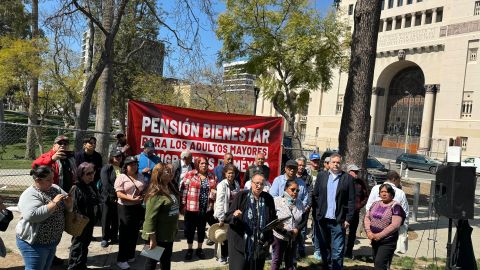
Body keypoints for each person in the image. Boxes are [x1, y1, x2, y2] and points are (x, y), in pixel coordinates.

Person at [16, 165, 73, 270]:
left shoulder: (55, 188)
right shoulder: (30, 194)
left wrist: (69, 203)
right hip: (34, 244)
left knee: (46, 267)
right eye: (48, 180)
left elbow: (68, 208)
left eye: (52, 178)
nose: (52, 182)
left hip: (52, 241)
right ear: (38, 180)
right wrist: (54, 203)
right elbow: (31, 216)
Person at [225, 172, 277, 270]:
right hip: (240, 241)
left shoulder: (268, 198)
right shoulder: (242, 196)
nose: (259, 186)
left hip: (259, 243)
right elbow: (227, 217)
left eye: (262, 184)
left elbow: (272, 218)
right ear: (251, 183)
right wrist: (235, 216)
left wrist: (276, 225)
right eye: (256, 183)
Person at [312, 153, 355, 270]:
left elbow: (351, 201)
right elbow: (315, 196)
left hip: (339, 220)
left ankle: (336, 267)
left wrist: (348, 219)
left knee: (337, 249)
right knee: (324, 247)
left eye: (338, 162)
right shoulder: (322, 176)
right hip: (323, 219)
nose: (336, 164)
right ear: (329, 164)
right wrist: (316, 214)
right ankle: (326, 266)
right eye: (333, 162)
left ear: (341, 164)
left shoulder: (348, 179)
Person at [142, 162, 180, 270]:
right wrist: (152, 239)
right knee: (151, 264)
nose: (171, 173)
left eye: (171, 171)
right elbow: (149, 218)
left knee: (166, 262)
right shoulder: (155, 193)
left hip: (167, 235)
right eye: (167, 172)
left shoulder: (170, 187)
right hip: (156, 237)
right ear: (159, 174)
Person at [180, 156, 217, 260]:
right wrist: (183, 205)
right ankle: (189, 250)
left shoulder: (211, 176)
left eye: (206, 163)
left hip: (205, 209)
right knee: (190, 230)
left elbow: (214, 190)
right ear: (197, 164)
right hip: (191, 208)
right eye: (202, 163)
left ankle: (199, 249)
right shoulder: (191, 174)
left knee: (201, 230)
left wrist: (213, 198)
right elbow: (184, 190)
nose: (204, 165)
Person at [114, 156, 147, 270]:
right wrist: (131, 199)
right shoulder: (121, 177)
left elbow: (143, 189)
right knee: (124, 233)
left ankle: (130, 255)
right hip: (124, 208)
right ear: (126, 166)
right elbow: (118, 194)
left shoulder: (141, 176)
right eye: (131, 164)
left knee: (134, 232)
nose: (134, 166)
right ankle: (121, 259)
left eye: (135, 164)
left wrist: (142, 196)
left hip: (137, 207)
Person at [366, 170, 409, 254]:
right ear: (393, 179)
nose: (399, 183)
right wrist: (404, 228)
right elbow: (405, 213)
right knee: (381, 256)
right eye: (398, 181)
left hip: (383, 229)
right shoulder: (400, 193)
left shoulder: (375, 188)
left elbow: (368, 207)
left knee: (381, 254)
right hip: (387, 231)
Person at [364, 184, 406, 270]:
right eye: (382, 192)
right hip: (374, 240)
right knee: (376, 262)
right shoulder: (375, 204)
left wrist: (379, 235)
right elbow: (367, 217)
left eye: (386, 192)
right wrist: (368, 231)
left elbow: (395, 225)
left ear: (391, 193)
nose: (384, 194)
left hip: (388, 241)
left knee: (380, 263)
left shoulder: (396, 206)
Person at [67, 162, 100, 270]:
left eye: (93, 172)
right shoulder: (77, 187)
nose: (91, 175)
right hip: (80, 221)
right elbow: (74, 207)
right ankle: (73, 266)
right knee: (78, 244)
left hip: (89, 220)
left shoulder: (91, 185)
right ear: (81, 174)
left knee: (85, 244)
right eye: (88, 173)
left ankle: (81, 264)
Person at [271, 180, 305, 270]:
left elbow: (304, 219)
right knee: (277, 259)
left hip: (293, 236)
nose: (295, 192)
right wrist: (280, 227)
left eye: (297, 190)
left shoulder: (300, 203)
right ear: (286, 189)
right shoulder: (276, 201)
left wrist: (297, 228)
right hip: (279, 236)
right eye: (292, 189)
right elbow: (271, 218)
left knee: (290, 260)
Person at [213, 163, 241, 264]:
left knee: (232, 235)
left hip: (233, 214)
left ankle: (230, 255)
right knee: (223, 236)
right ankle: (222, 257)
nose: (231, 175)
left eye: (233, 173)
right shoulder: (221, 185)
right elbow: (219, 201)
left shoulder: (236, 184)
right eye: (229, 173)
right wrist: (220, 218)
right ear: (225, 174)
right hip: (224, 213)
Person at [99, 149, 123, 248]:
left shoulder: (122, 168)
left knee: (116, 218)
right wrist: (114, 195)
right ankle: (105, 238)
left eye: (120, 156)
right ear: (112, 158)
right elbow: (106, 184)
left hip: (119, 198)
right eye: (116, 157)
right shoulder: (106, 168)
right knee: (106, 218)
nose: (119, 158)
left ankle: (114, 236)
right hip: (108, 198)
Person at [344, 164, 369, 259]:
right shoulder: (343, 181)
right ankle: (339, 251)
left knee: (352, 233)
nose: (356, 173)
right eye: (354, 171)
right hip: (344, 212)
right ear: (349, 171)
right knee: (341, 232)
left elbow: (366, 196)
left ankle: (349, 252)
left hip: (355, 212)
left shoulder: (360, 183)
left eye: (357, 171)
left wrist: (359, 205)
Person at [295, 157, 313, 258]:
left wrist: (308, 205)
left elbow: (310, 192)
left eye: (303, 165)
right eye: (299, 165)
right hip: (292, 208)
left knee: (302, 230)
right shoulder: (292, 175)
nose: (301, 167)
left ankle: (301, 249)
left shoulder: (308, 177)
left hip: (304, 208)